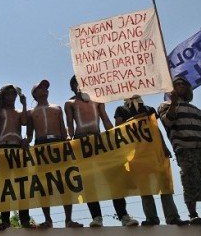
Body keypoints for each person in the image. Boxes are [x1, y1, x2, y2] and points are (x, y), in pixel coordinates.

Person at [64, 75, 138, 227]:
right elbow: (70, 124)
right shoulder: (70, 103)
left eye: (82, 81)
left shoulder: (97, 100)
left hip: (99, 141)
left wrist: (114, 136)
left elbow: (104, 118)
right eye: (77, 83)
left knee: (112, 177)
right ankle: (97, 217)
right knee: (89, 181)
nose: (80, 85)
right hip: (81, 142)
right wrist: (69, 139)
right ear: (72, 86)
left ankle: (123, 215)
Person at [114, 95, 189, 226]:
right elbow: (118, 128)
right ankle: (151, 218)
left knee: (164, 184)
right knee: (145, 188)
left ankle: (172, 217)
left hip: (154, 152)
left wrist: (164, 147)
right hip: (136, 154)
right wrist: (135, 119)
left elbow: (155, 129)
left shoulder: (149, 109)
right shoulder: (121, 109)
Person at [26, 80, 83, 228]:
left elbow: (63, 129)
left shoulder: (57, 108)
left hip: (58, 144)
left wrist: (68, 139)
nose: (44, 89)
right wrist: (26, 141)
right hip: (41, 146)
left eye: (45, 87)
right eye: (41, 88)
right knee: (44, 184)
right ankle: (48, 220)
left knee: (65, 181)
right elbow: (30, 135)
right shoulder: (31, 112)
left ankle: (68, 219)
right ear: (35, 94)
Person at [158, 76, 201, 225]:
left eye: (183, 84)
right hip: (185, 149)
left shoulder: (195, 109)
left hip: (199, 148)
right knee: (189, 180)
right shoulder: (165, 105)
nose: (180, 86)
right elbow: (168, 121)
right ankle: (193, 214)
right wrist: (174, 102)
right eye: (177, 84)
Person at [0, 84, 36, 230]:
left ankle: (24, 219)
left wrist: (24, 104)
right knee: (5, 185)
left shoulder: (19, 112)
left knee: (22, 184)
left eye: (13, 94)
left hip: (17, 148)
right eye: (8, 94)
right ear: (4, 96)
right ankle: (5, 219)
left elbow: (24, 122)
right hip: (3, 147)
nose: (10, 97)